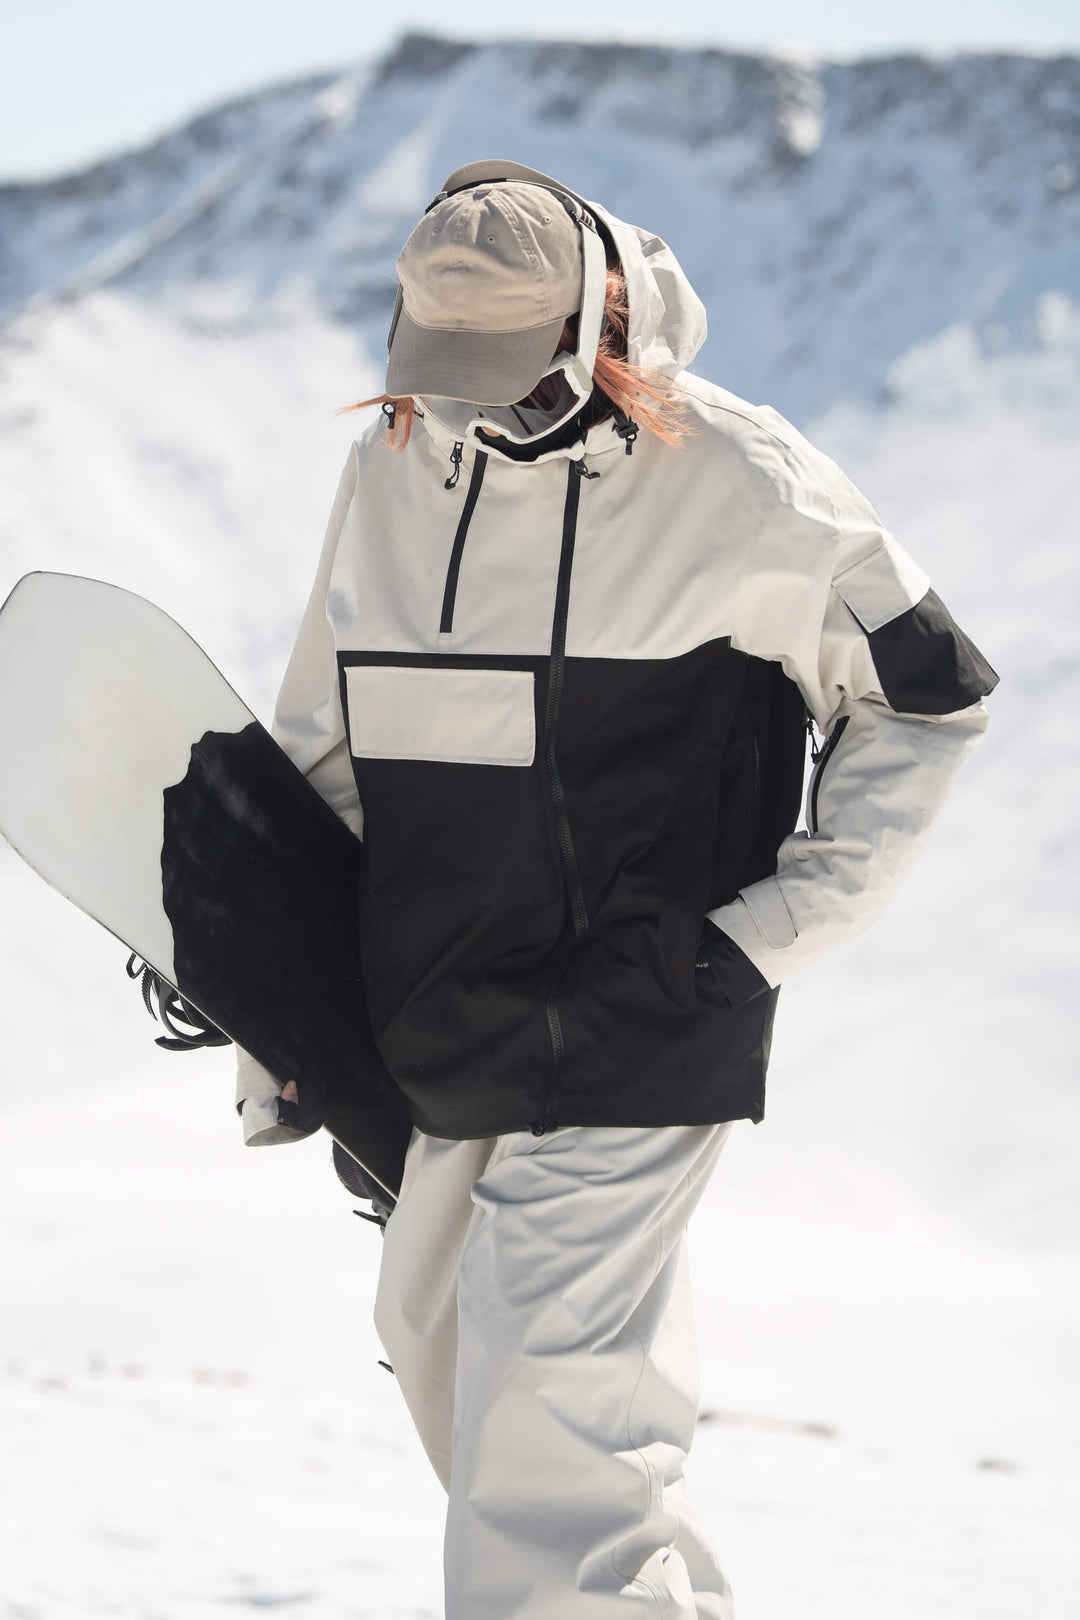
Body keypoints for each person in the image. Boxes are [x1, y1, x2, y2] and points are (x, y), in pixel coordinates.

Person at [233, 159, 998, 1618]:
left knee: (549, 1457)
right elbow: (325, 742)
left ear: (603, 329)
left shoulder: (747, 479)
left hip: (638, 1020)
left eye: (516, 380)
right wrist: (285, 1016)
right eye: (449, 377)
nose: (479, 412)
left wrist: (757, 940)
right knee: (470, 1394)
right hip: (435, 1020)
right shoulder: (393, 462)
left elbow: (929, 697)